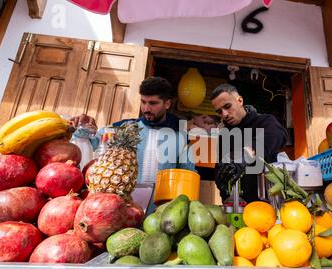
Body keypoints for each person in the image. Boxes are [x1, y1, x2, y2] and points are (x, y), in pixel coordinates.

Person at [70, 77, 195, 210]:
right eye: (143, 102)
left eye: (153, 103)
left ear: (167, 104)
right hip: (120, 206)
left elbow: (187, 175)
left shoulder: (180, 136)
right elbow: (91, 143)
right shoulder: (124, 127)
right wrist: (82, 128)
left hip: (159, 210)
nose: (146, 108)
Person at [211, 83, 288, 203]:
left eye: (227, 106)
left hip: (268, 203)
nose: (224, 114)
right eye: (219, 112)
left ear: (240, 100)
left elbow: (278, 135)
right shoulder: (224, 137)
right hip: (238, 206)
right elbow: (221, 170)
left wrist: (246, 153)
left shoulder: (264, 122)